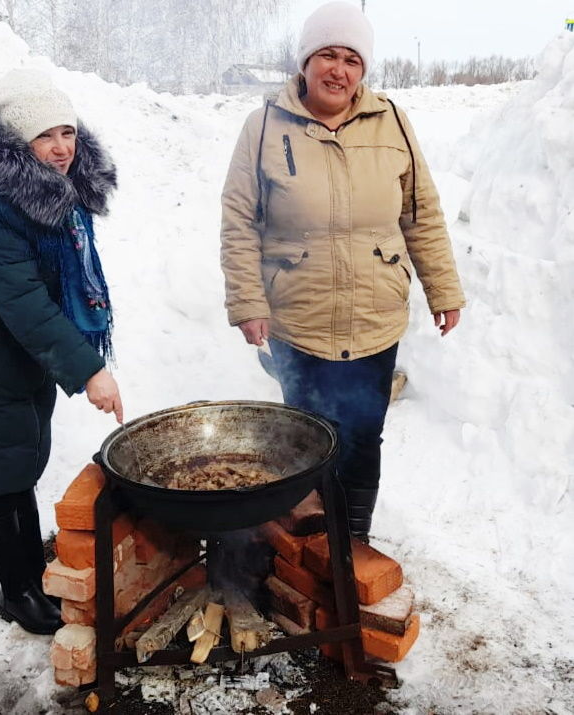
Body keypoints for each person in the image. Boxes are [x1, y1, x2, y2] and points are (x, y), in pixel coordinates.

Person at [221, 2, 465, 542]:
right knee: (305, 437)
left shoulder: (393, 122)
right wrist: (248, 301)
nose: (339, 69)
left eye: (352, 59)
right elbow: (239, 221)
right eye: (327, 55)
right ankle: (306, 544)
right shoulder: (263, 127)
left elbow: (420, 216)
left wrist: (443, 289)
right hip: (297, 317)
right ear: (305, 62)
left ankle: (352, 542)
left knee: (362, 434)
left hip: (374, 317)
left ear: (364, 68)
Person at [0, 69, 122, 634]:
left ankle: (28, 576)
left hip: (13, 364)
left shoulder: (51, 197)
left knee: (16, 471)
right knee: (2, 478)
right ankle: (16, 593)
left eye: (68, 132)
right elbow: (25, 304)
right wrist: (90, 369)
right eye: (45, 136)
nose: (62, 148)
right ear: (16, 142)